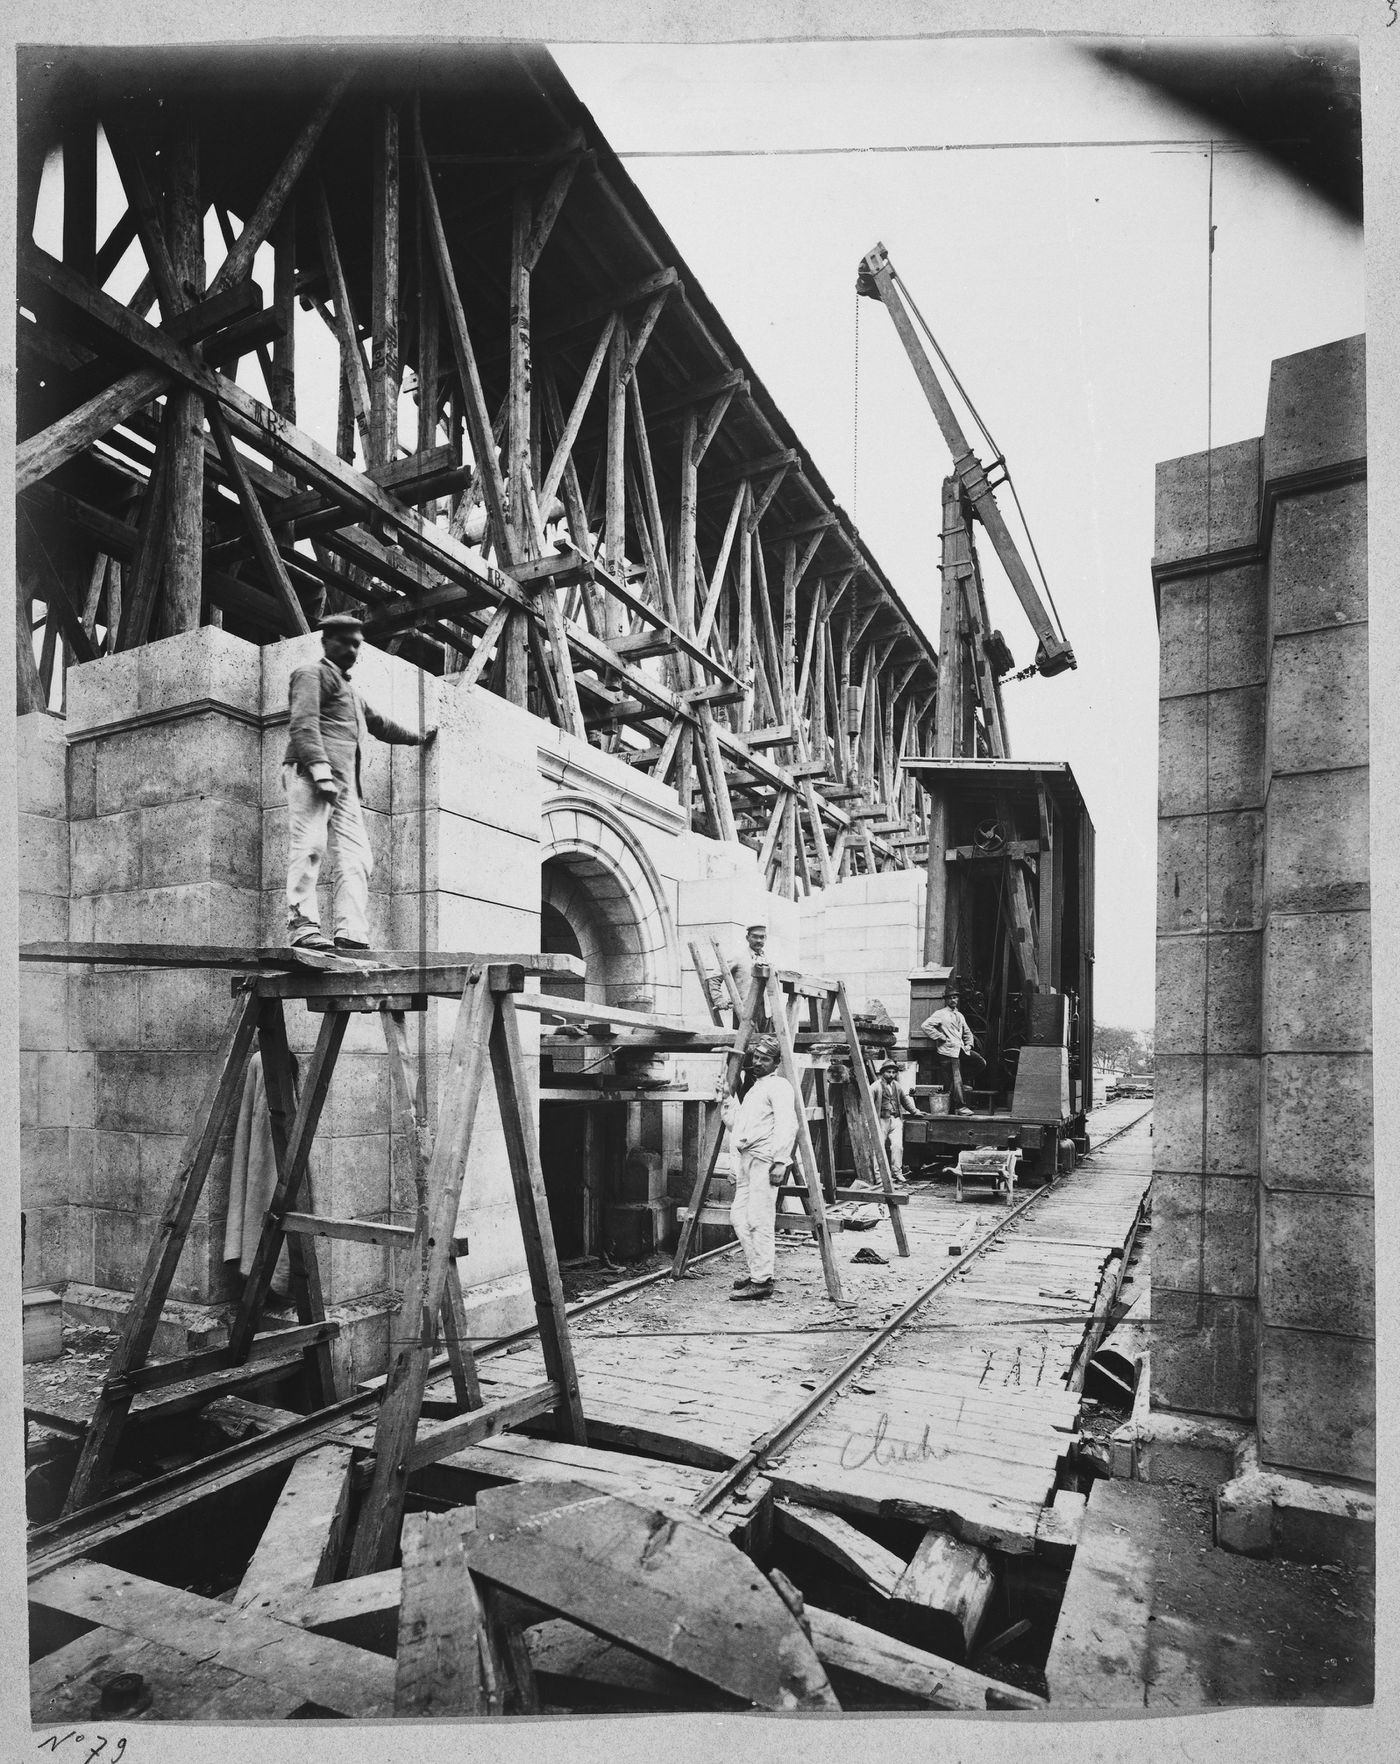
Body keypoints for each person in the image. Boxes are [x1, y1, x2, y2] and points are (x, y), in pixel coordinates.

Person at [284, 613, 436, 951]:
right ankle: (302, 927)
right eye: (345, 642)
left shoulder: (351, 691)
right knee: (309, 848)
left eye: (357, 644)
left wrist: (419, 737)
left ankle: (350, 932)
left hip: (345, 786)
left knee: (358, 857)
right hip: (313, 776)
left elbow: (381, 724)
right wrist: (321, 772)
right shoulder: (310, 674)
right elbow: (303, 723)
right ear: (326, 641)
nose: (352, 650)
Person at [720, 1033, 798, 1301]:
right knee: (739, 1218)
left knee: (759, 1220)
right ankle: (758, 1273)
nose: (758, 1062)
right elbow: (736, 1126)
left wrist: (780, 1161)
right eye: (756, 1057)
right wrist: (726, 1099)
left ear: (776, 1063)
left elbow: (788, 1124)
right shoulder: (755, 1089)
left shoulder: (779, 1087)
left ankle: (762, 1281)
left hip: (765, 1160)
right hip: (746, 1159)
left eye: (765, 1059)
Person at [920, 988, 977, 1115]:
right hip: (947, 1051)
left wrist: (969, 1044)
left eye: (955, 997)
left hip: (960, 1050)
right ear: (946, 1000)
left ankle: (956, 1098)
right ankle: (960, 1107)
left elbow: (967, 1032)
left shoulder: (960, 1015)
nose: (953, 1000)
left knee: (980, 1062)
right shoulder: (940, 1013)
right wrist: (940, 1037)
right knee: (955, 1079)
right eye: (950, 998)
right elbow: (925, 1025)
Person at [873, 1060, 923, 1181]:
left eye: (893, 1072)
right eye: (888, 1072)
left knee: (897, 1146)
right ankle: (879, 1175)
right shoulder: (875, 1086)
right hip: (881, 1120)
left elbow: (905, 1101)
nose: (891, 1075)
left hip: (895, 1119)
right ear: (882, 1073)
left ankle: (897, 1172)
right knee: (878, 1147)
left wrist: (915, 1112)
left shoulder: (897, 1086)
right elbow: (868, 1104)